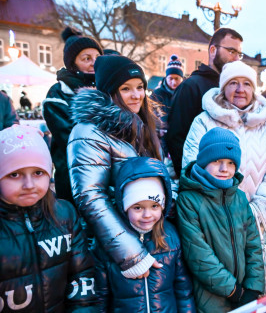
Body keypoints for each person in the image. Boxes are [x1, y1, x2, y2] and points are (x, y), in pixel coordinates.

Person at [68, 55, 164, 280]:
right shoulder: (88, 132)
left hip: (145, 230)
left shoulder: (140, 124)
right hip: (111, 247)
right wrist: (132, 255)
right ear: (110, 92)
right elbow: (90, 196)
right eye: (126, 88)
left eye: (140, 87)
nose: (136, 95)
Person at [0, 125, 98, 311]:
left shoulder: (64, 214)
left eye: (38, 173)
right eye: (14, 174)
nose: (29, 185)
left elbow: (81, 275)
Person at [182, 60, 266, 230]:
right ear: (224, 88)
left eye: (246, 84)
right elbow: (192, 164)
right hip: (213, 216)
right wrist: (218, 205)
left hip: (255, 217)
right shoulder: (204, 121)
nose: (240, 89)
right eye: (233, 83)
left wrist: (259, 206)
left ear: (253, 90)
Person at [176, 127, 264, 313]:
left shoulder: (239, 197)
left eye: (231, 163)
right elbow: (198, 254)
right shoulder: (189, 200)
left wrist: (254, 285)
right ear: (203, 162)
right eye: (217, 161)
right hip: (210, 296)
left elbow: (253, 243)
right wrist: (232, 290)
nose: (225, 169)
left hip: (244, 291)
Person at [95, 156, 195, 312]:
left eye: (154, 206)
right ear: (124, 206)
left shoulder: (170, 236)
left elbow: (183, 290)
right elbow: (101, 297)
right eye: (138, 207)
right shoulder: (110, 243)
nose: (147, 215)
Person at [166, 28, 243, 176]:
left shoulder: (235, 88)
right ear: (213, 50)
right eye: (231, 51)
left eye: (239, 54)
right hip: (201, 178)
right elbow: (176, 138)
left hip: (231, 175)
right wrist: (192, 177)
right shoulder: (191, 86)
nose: (236, 59)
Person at [43, 26, 103, 204]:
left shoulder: (104, 88)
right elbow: (69, 137)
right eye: (86, 58)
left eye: (97, 58)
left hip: (102, 173)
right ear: (73, 63)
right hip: (70, 174)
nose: (94, 62)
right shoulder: (58, 93)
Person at [151, 54, 184, 127]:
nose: (173, 82)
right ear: (166, 78)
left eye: (176, 78)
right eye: (171, 78)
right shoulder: (157, 94)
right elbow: (150, 115)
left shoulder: (186, 94)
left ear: (181, 79)